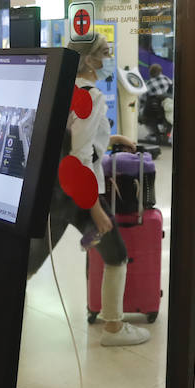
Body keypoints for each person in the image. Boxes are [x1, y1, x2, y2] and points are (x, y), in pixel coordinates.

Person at [28, 34, 149, 347]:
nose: (108, 59)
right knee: (116, 254)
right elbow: (80, 155)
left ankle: (0, 310)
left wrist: (112, 138)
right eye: (105, 53)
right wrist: (94, 206)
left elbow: (71, 139)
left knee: (31, 260)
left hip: (55, 187)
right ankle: (113, 329)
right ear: (91, 59)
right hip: (79, 192)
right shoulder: (92, 95)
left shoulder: (61, 88)